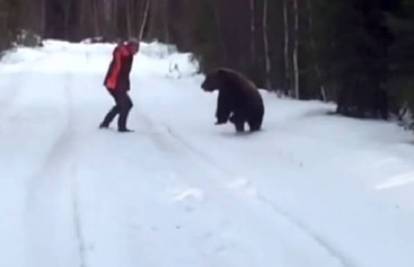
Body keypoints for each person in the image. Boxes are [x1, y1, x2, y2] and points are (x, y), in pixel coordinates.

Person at [100, 39, 139, 132]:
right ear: (130, 46)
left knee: (122, 105)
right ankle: (121, 127)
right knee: (126, 105)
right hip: (114, 84)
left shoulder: (128, 55)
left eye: (138, 48)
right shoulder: (124, 54)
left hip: (117, 84)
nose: (137, 50)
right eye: (136, 48)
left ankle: (105, 123)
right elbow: (117, 69)